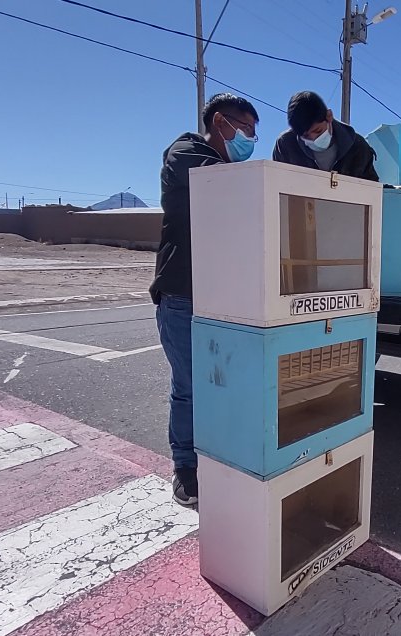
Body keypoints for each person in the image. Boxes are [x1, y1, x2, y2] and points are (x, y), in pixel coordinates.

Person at [149, 93, 260, 505]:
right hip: (183, 294)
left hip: (225, 297)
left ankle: (220, 457)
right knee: (190, 386)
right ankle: (185, 467)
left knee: (224, 383)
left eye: (253, 132)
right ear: (220, 122)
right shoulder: (186, 154)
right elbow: (219, 181)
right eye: (245, 129)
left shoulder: (229, 171)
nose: (249, 139)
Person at [272, 91, 379, 181]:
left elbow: (372, 191)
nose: (313, 139)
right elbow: (276, 184)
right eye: (306, 136)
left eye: (318, 131)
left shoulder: (358, 147)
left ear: (329, 116)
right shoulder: (285, 145)